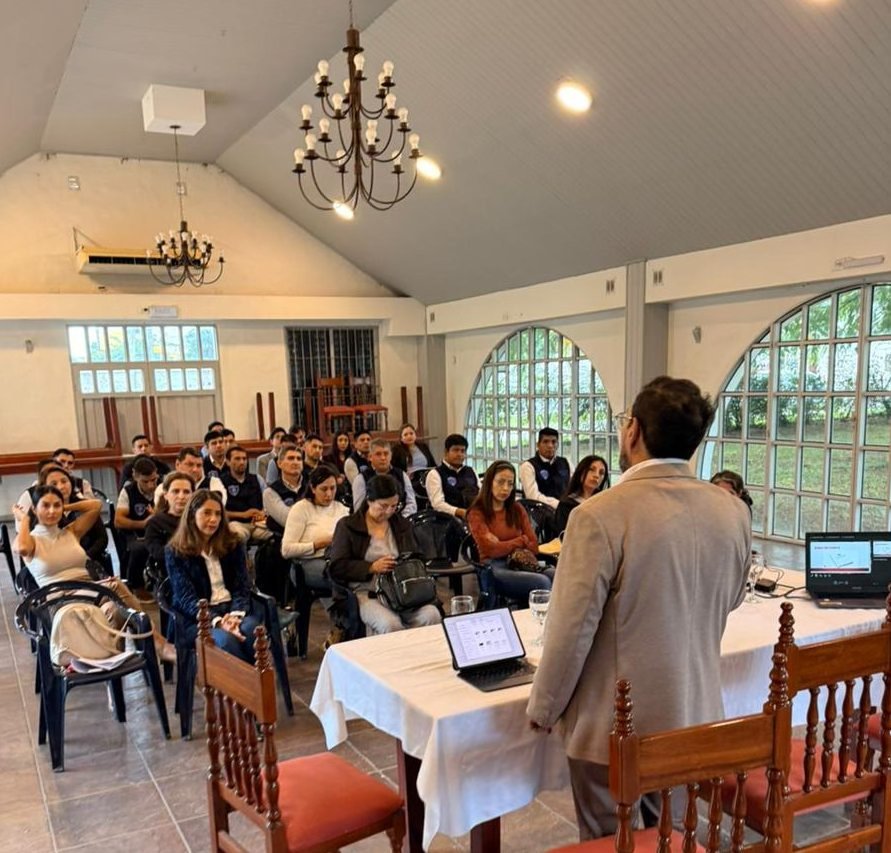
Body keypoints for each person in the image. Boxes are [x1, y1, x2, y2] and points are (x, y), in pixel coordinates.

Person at [526, 376, 751, 841]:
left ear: (633, 432)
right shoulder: (731, 510)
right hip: (694, 712)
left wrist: (544, 706)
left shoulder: (599, 515)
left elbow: (571, 631)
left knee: (614, 839)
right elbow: (731, 597)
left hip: (616, 726)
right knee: (675, 835)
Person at [12, 485, 174, 662]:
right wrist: (25, 519)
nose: (52, 511)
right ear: (34, 509)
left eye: (56, 505)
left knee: (115, 610)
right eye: (46, 506)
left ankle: (113, 658)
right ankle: (159, 644)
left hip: (91, 591)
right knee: (114, 585)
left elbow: (95, 506)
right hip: (61, 598)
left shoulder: (70, 532)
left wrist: (65, 506)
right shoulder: (31, 540)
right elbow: (22, 548)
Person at [328, 474, 441, 634]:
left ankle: (416, 649)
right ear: (369, 500)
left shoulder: (401, 525)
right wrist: (371, 567)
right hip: (367, 591)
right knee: (390, 624)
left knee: (431, 615)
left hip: (402, 590)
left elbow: (417, 557)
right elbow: (337, 567)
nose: (388, 511)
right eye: (383, 506)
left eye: (394, 506)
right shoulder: (348, 526)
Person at [165, 490, 259, 662]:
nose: (214, 519)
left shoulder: (233, 543)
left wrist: (235, 616)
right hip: (197, 618)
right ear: (192, 516)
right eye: (207, 513)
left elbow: (242, 585)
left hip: (232, 609)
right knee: (226, 641)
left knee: (252, 631)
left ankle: (251, 678)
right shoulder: (175, 550)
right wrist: (218, 621)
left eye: (218, 514)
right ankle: (249, 679)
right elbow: (185, 598)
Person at [467, 461, 553, 602]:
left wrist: (501, 544)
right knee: (542, 582)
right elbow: (490, 550)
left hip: (521, 561)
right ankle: (539, 615)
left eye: (510, 483)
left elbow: (534, 546)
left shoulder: (517, 509)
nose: (505, 488)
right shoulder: (477, 513)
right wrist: (521, 540)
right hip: (493, 566)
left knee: (556, 575)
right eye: (500, 482)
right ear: (489, 482)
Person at [281, 464, 349, 614]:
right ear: (313, 488)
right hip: (307, 564)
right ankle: (342, 618)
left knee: (357, 575)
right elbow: (286, 550)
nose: (329, 494)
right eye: (324, 489)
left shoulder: (341, 509)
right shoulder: (301, 509)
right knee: (342, 577)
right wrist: (318, 544)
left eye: (332, 488)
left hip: (336, 559)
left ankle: (348, 619)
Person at [38, 465, 109, 565]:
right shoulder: (42, 512)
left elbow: (102, 539)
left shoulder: (85, 506)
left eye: (64, 481)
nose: (61, 487)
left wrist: (85, 558)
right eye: (54, 484)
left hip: (88, 560)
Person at [114, 456, 158, 596]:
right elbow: (118, 521)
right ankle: (137, 586)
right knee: (139, 549)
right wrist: (143, 523)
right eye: (145, 481)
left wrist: (158, 516)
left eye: (153, 480)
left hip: (160, 530)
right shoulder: (128, 491)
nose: (151, 485)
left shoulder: (164, 487)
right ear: (135, 476)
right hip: (136, 532)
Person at [351, 438, 417, 518]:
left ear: (391, 456)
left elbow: (411, 503)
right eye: (378, 454)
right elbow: (359, 510)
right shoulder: (361, 479)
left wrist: (400, 520)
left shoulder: (402, 475)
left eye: (386, 454)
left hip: (401, 519)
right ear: (370, 457)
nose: (383, 458)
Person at [221, 445, 271, 543]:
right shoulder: (221, 482)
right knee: (238, 535)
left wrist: (262, 512)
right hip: (235, 523)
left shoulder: (257, 479)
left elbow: (269, 502)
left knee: (275, 535)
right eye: (237, 459)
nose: (242, 462)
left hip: (258, 523)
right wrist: (243, 515)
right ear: (228, 462)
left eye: (244, 459)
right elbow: (220, 511)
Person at [425, 433, 480, 520]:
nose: (459, 454)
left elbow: (482, 494)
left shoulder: (471, 471)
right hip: (447, 521)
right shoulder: (435, 474)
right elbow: (438, 504)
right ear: (446, 452)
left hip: (474, 517)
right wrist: (460, 512)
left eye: (462, 451)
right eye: (455, 450)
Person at [145, 471, 194, 565]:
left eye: (186, 492)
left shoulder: (199, 520)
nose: (181, 496)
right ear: (166, 495)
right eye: (176, 491)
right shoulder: (155, 523)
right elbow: (158, 553)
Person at [554, 454, 610, 535]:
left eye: (601, 473)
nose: (596, 475)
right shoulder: (566, 505)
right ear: (581, 472)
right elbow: (563, 535)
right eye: (591, 469)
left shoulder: (604, 503)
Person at [518, 428, 572, 509]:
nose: (550, 446)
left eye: (554, 442)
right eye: (545, 442)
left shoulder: (566, 463)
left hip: (564, 510)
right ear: (538, 445)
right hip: (538, 511)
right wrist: (558, 504)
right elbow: (533, 496)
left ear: (557, 445)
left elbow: (575, 488)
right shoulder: (528, 466)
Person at [262, 443, 306, 536]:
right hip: (283, 539)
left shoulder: (312, 486)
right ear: (279, 463)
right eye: (290, 458)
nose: (295, 462)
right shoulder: (270, 492)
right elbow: (288, 520)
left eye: (299, 459)